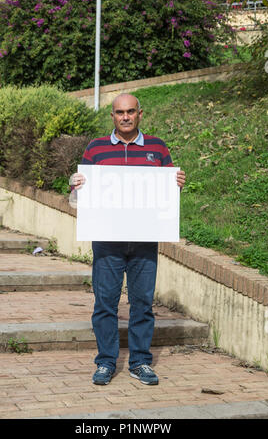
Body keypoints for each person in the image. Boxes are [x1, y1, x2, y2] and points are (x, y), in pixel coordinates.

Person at [71, 93, 186, 386]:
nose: (125, 116)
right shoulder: (95, 149)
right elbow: (74, 200)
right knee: (105, 303)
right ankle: (106, 363)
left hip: (144, 241)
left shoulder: (157, 148)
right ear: (112, 115)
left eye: (130, 111)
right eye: (120, 112)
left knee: (142, 303)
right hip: (107, 242)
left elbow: (166, 197)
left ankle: (140, 362)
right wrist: (76, 186)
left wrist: (176, 186)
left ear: (140, 114)